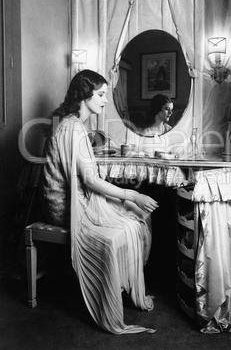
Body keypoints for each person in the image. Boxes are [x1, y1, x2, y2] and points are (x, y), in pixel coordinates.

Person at [40, 69, 159, 334]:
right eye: (101, 95)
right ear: (85, 95)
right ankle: (114, 289)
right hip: (62, 206)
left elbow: (87, 176)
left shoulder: (74, 123)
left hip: (75, 195)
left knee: (136, 215)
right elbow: (91, 181)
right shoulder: (72, 127)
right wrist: (133, 194)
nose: (106, 100)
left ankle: (123, 285)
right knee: (132, 216)